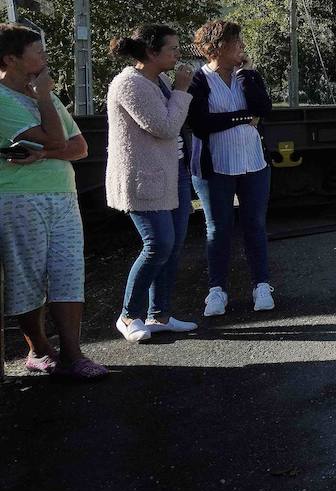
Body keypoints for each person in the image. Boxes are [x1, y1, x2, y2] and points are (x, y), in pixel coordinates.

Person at [0, 24, 104, 379]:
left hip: (63, 194)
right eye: (37, 51)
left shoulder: (45, 95)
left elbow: (79, 147)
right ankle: (39, 350)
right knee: (26, 276)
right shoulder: (3, 98)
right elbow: (57, 139)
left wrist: (44, 154)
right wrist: (44, 99)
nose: (44, 56)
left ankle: (74, 356)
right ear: (11, 59)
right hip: (19, 198)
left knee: (68, 272)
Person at [106, 25, 198, 343]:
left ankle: (159, 316)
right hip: (144, 180)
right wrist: (182, 89)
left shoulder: (155, 79)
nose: (177, 54)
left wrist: (176, 90)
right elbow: (165, 127)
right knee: (157, 244)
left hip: (173, 174)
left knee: (171, 248)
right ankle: (128, 316)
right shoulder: (130, 84)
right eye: (172, 49)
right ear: (150, 52)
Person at [187, 20, 275, 315]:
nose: (241, 47)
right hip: (215, 166)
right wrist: (240, 117)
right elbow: (200, 124)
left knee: (255, 225)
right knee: (218, 229)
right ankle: (217, 290)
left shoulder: (248, 75)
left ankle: (261, 285)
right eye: (236, 42)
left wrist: (247, 74)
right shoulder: (199, 81)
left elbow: (263, 109)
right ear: (217, 48)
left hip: (254, 162)